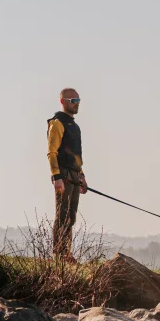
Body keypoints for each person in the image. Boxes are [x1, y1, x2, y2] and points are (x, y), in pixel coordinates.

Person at [47, 87, 86, 260]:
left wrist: (82, 176)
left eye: (78, 101)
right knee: (62, 214)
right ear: (62, 102)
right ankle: (58, 254)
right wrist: (56, 177)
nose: (76, 104)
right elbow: (52, 152)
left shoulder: (75, 127)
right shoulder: (57, 123)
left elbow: (76, 155)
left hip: (75, 175)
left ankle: (66, 253)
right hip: (63, 175)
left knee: (71, 216)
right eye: (73, 101)